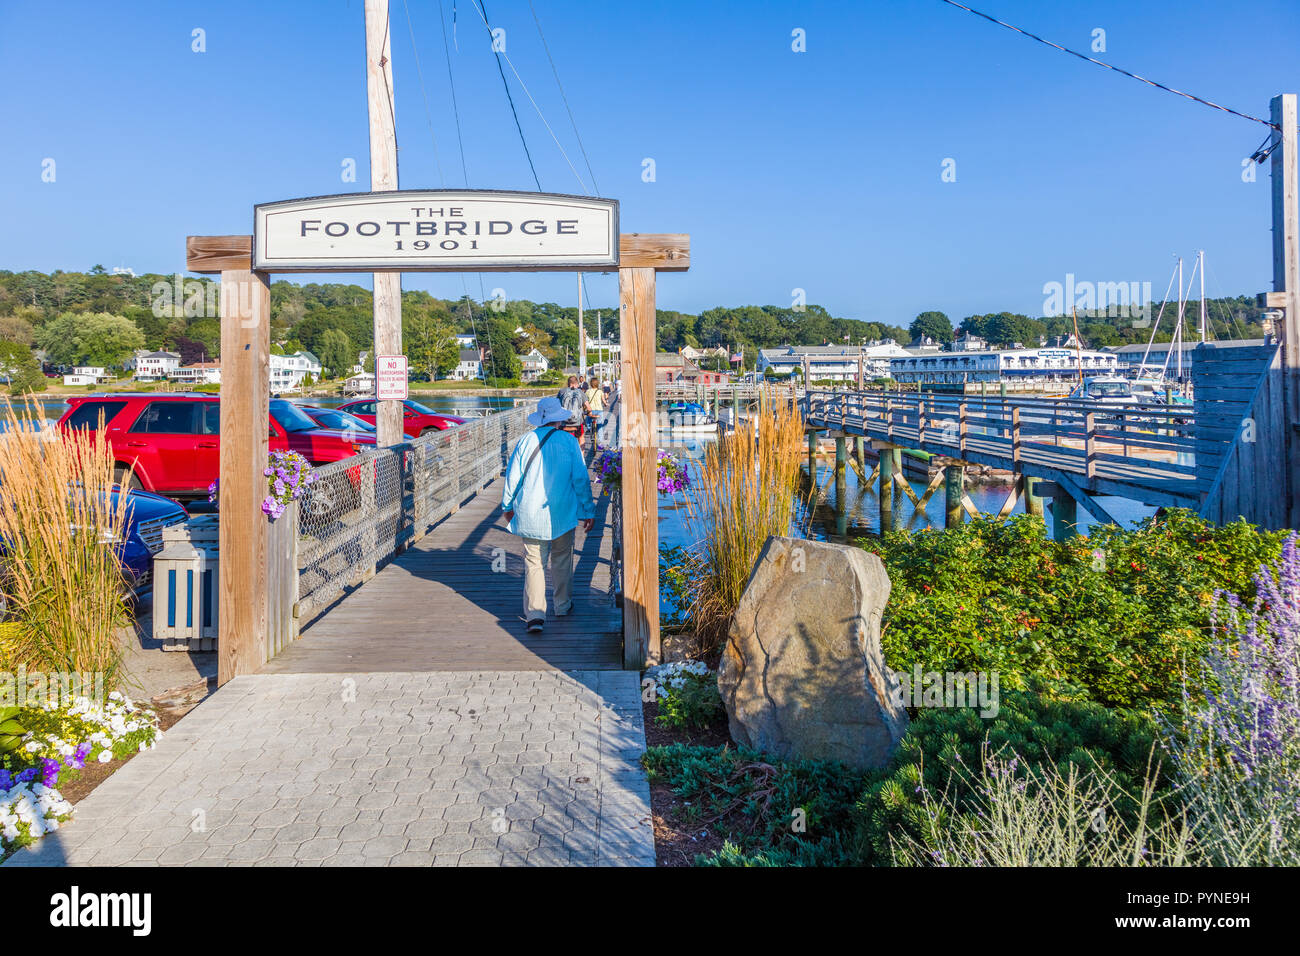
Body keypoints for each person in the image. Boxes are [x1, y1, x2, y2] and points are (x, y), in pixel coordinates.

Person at [501, 396, 595, 634]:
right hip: (562, 513)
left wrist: (507, 506)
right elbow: (581, 479)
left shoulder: (525, 441)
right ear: (559, 420)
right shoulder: (570, 442)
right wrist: (588, 510)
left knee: (534, 563)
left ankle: (535, 615)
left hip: (531, 514)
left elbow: (513, 477)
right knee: (562, 559)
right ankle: (562, 606)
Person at [556, 375, 589, 443]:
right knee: (581, 437)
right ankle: (581, 453)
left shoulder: (562, 391)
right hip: (577, 423)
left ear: (568, 384)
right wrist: (588, 411)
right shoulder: (580, 392)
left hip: (564, 423)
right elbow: (589, 407)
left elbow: (556, 405)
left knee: (560, 437)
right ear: (577, 384)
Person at [584, 376, 605, 448]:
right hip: (599, 410)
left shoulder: (588, 391)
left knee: (587, 420)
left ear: (590, 383)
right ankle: (601, 444)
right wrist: (605, 404)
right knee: (600, 427)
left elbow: (585, 401)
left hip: (591, 410)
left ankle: (589, 429)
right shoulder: (600, 391)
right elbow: (603, 400)